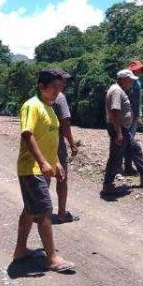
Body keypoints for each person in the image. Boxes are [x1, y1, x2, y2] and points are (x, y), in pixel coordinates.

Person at [13, 68, 74, 272]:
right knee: (45, 211)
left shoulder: (49, 108)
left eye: (60, 88)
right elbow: (27, 134)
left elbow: (51, 139)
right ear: (41, 86)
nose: (58, 91)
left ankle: (20, 250)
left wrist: (55, 161)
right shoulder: (32, 106)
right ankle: (52, 258)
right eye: (54, 87)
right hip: (32, 168)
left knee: (31, 210)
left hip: (42, 169)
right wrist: (42, 162)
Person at [102, 69, 143, 196]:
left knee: (135, 149)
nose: (131, 82)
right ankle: (108, 185)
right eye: (130, 80)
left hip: (121, 128)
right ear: (122, 80)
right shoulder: (116, 91)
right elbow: (114, 112)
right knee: (115, 157)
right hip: (118, 128)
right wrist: (119, 133)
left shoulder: (118, 89)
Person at [51, 68, 80, 223]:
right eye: (63, 80)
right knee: (61, 179)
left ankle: (38, 212)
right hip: (56, 143)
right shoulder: (60, 98)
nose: (65, 82)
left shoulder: (40, 97)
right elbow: (65, 124)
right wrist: (72, 145)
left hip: (43, 142)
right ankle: (61, 213)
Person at [124, 60, 143, 176]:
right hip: (127, 116)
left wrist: (140, 115)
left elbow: (139, 101)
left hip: (135, 116)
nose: (139, 70)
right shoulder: (127, 82)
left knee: (130, 141)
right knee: (128, 142)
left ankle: (128, 167)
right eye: (138, 68)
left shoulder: (138, 82)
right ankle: (124, 167)